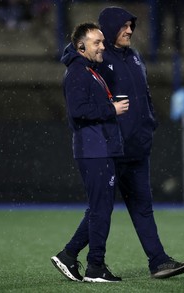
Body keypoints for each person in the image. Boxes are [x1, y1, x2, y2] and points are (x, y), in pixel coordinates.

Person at [97, 7, 184, 279]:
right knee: (100, 209)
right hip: (113, 148)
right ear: (109, 28)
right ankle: (75, 256)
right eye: (123, 26)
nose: (129, 31)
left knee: (142, 207)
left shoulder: (135, 56)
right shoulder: (100, 58)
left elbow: (146, 94)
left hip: (137, 147)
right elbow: (76, 69)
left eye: (130, 26)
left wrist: (149, 122)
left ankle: (158, 261)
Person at [50, 22, 129, 283]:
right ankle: (95, 266)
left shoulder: (87, 70)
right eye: (97, 42)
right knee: (100, 209)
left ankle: (69, 255)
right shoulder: (78, 72)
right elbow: (77, 110)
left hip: (99, 147)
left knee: (98, 208)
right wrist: (111, 110)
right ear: (81, 46)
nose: (103, 47)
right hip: (94, 149)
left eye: (103, 42)